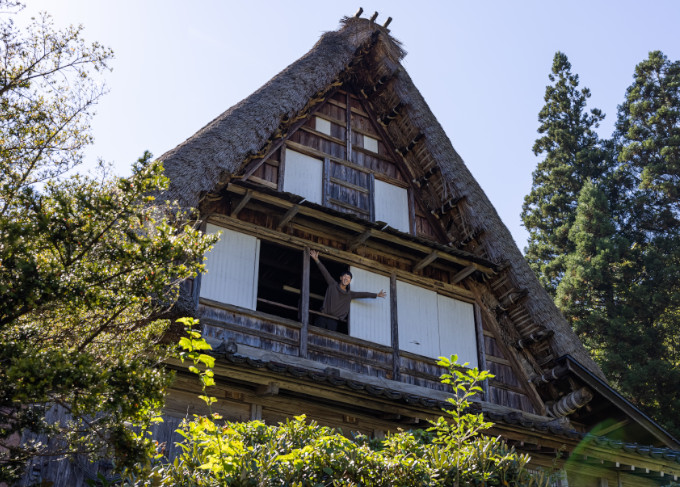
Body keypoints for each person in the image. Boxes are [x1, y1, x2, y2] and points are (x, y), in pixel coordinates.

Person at [309, 249, 386, 332]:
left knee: (329, 339)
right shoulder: (333, 284)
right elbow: (325, 272)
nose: (346, 278)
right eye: (345, 276)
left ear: (349, 281)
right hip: (322, 316)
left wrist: (376, 295)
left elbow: (363, 294)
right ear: (341, 278)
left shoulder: (349, 294)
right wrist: (316, 260)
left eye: (349, 278)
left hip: (333, 320)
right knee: (315, 333)